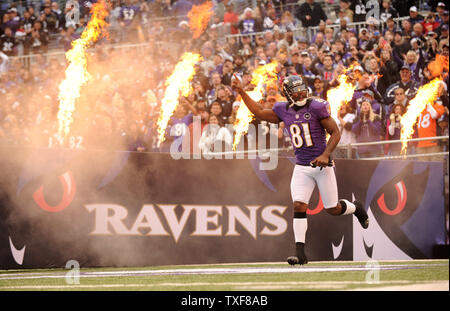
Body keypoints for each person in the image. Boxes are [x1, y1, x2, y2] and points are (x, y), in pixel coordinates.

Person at [231, 74, 369, 266]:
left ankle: (356, 208)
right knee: (298, 206)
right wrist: (241, 92)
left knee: (333, 208)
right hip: (302, 167)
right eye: (296, 91)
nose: (301, 92)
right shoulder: (283, 109)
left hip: (322, 166)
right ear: (288, 94)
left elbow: (335, 133)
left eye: (302, 88)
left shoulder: (316, 107)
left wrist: (325, 155)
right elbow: (260, 112)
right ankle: (300, 253)